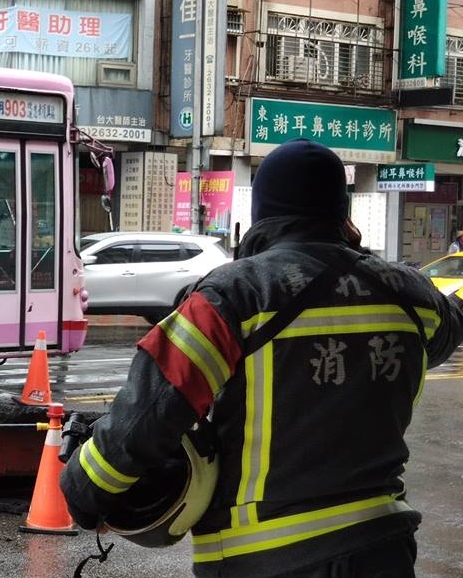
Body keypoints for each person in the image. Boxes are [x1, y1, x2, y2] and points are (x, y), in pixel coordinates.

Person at [60, 138, 463, 577]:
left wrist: (84, 488)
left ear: (262, 215)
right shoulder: (411, 294)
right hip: (383, 549)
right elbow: (448, 330)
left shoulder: (232, 296)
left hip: (268, 558)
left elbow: (150, 413)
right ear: (340, 212)